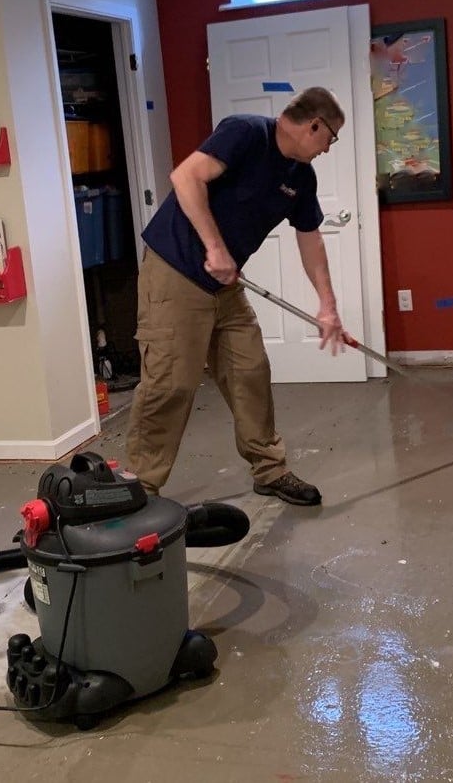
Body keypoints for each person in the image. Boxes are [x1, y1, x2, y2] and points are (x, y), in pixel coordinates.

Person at [125, 86, 346, 507]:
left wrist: (327, 306)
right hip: (176, 270)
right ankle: (139, 489)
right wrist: (215, 247)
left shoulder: (301, 176)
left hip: (224, 285)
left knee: (249, 371)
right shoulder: (245, 132)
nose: (328, 148)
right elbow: (186, 177)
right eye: (330, 138)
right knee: (171, 383)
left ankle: (270, 469)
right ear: (314, 125)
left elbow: (310, 239)